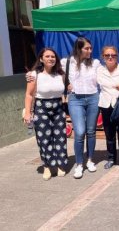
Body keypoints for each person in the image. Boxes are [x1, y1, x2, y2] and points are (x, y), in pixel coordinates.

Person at [24, 48, 68, 180]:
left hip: (58, 108)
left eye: (53, 56)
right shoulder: (34, 75)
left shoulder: (61, 74)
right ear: (41, 59)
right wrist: (27, 113)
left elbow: (65, 90)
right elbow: (29, 95)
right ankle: (47, 167)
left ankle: (60, 165)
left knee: (60, 138)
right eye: (47, 56)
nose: (50, 59)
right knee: (44, 139)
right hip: (41, 109)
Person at [65, 37, 101, 179]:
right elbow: (53, 72)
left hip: (93, 98)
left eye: (91, 48)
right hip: (75, 99)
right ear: (79, 49)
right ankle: (79, 164)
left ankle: (90, 160)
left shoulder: (96, 63)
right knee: (79, 132)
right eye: (87, 48)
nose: (90, 51)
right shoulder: (67, 62)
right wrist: (32, 74)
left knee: (91, 131)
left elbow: (107, 72)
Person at [97, 46, 119, 171]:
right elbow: (100, 82)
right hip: (106, 105)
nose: (110, 57)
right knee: (109, 134)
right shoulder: (99, 70)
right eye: (107, 55)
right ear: (103, 57)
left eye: (113, 55)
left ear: (117, 56)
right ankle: (111, 158)